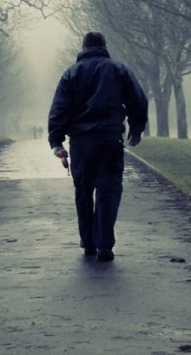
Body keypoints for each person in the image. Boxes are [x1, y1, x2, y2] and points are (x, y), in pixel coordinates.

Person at [47, 30, 148, 262]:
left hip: (81, 142)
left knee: (83, 192)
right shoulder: (118, 69)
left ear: (83, 48)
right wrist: (136, 127)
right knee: (109, 190)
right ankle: (105, 243)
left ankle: (88, 241)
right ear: (104, 46)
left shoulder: (70, 74)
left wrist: (56, 141)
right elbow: (138, 100)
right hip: (110, 139)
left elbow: (59, 109)